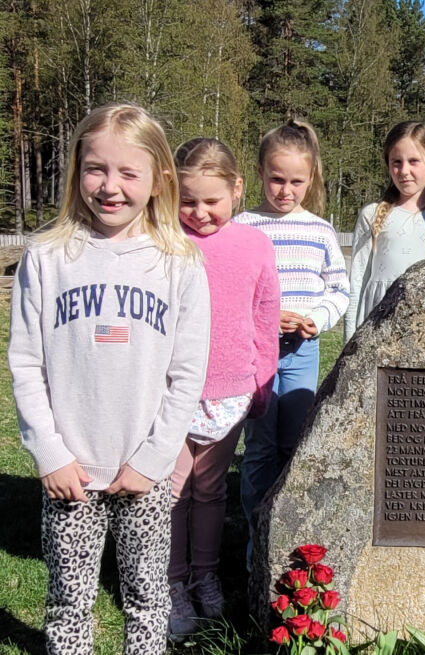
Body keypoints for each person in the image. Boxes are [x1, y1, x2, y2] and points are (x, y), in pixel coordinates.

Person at [8, 103, 210, 655]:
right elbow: (26, 364)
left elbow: (187, 375)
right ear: (77, 169)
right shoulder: (48, 257)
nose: (110, 186)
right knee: (68, 602)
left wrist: (152, 460)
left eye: (128, 172)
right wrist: (49, 453)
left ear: (158, 178)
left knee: (146, 599)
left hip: (144, 474)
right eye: (97, 168)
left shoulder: (179, 262)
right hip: (69, 475)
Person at [167, 138, 280, 638]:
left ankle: (205, 576)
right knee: (168, 492)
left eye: (210, 201)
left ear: (236, 189)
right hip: (169, 392)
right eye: (187, 201)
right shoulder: (164, 241)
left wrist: (262, 380)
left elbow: (265, 315)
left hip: (231, 390)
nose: (199, 212)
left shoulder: (255, 245)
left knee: (210, 490)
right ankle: (169, 582)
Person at [236, 118, 350, 559]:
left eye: (296, 181)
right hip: (252, 354)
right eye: (276, 179)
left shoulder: (320, 230)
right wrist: (262, 318)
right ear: (261, 174)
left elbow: (338, 289)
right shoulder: (244, 226)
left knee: (294, 442)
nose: (285, 190)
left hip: (302, 351)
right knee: (260, 446)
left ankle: (284, 536)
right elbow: (233, 290)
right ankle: (254, 536)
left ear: (311, 179)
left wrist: (316, 319)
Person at [344, 121, 425, 342]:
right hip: (374, 326)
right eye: (396, 162)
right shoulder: (372, 214)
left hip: (423, 328)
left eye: (413, 161)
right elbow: (357, 281)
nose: (404, 171)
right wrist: (349, 340)